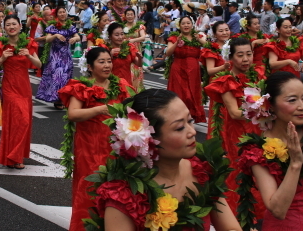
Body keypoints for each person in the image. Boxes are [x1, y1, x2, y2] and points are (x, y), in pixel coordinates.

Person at [88, 89, 241, 231]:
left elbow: (230, 228)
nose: (192, 132)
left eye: (190, 121)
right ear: (148, 139)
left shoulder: (203, 171)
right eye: (180, 127)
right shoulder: (125, 195)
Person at [236, 71, 303, 230]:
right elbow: (277, 210)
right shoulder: (257, 150)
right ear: (270, 105)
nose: (302, 107)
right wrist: (295, 164)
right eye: (292, 100)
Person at [58, 47, 133, 231]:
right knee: (90, 187)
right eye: (102, 62)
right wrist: (99, 109)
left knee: (115, 189)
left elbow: (133, 109)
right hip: (89, 148)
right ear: (90, 67)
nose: (107, 65)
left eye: (109, 61)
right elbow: (73, 114)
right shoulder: (82, 87)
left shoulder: (121, 85)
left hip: (115, 147)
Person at [204, 38, 266, 218]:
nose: (246, 59)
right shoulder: (227, 81)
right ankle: (238, 215)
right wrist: (263, 108)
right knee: (240, 171)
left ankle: (259, 210)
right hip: (237, 135)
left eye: (249, 54)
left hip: (259, 130)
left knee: (262, 167)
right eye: (240, 55)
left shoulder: (259, 76)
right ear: (230, 58)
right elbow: (234, 112)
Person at [0, 14, 41, 169]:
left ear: (20, 26)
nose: (11, 27)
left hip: (24, 87)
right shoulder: (0, 45)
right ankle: (14, 157)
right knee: (18, 120)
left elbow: (38, 64)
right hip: (9, 87)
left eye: (14, 24)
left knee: (24, 120)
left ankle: (15, 155)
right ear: (4, 28)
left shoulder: (28, 43)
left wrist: (29, 56)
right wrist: (2, 58)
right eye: (8, 25)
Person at [165, 16, 207, 123]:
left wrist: (199, 39)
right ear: (179, 25)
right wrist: (176, 43)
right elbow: (168, 53)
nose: (186, 25)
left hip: (193, 71)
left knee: (192, 93)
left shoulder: (198, 36)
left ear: (192, 25)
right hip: (178, 69)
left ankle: (191, 115)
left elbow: (209, 46)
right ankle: (177, 116)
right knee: (180, 93)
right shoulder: (174, 37)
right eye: (183, 23)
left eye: (188, 23)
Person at [36, 6, 80, 109]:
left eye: (63, 12)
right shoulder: (53, 26)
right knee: (57, 76)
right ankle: (57, 99)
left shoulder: (70, 26)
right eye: (60, 12)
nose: (62, 14)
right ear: (56, 15)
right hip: (55, 55)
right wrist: (56, 35)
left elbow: (78, 36)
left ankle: (63, 98)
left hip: (66, 55)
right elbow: (47, 39)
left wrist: (75, 39)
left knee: (66, 76)